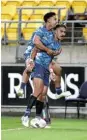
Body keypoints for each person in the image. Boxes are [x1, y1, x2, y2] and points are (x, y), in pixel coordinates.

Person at [21, 24, 71, 127]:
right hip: (38, 64)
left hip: (46, 68)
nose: (63, 34)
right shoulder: (46, 38)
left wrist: (51, 72)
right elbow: (35, 48)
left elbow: (49, 60)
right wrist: (31, 60)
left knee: (43, 94)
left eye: (65, 32)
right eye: (61, 31)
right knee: (38, 90)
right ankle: (26, 115)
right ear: (55, 31)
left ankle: (38, 118)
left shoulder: (58, 48)